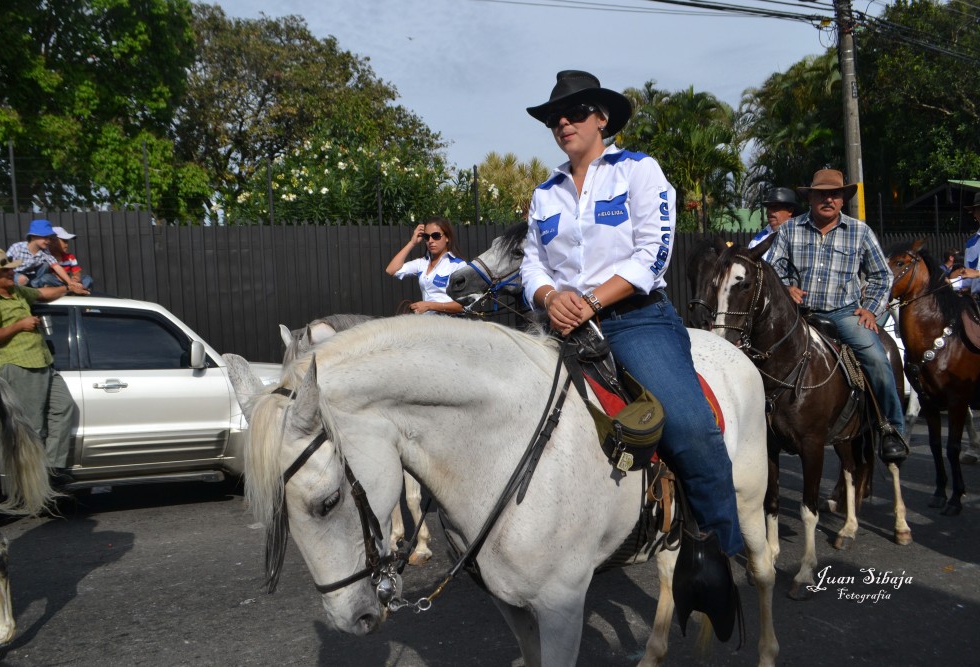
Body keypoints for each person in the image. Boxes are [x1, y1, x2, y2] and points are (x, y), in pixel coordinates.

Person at [519, 69, 743, 557]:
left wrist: (591, 302)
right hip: (558, 322)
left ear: (601, 119)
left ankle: (722, 551)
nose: (563, 123)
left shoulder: (639, 171)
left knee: (689, 426)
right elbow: (532, 264)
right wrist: (550, 298)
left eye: (575, 113)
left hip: (635, 320)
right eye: (554, 117)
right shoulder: (544, 193)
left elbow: (653, 254)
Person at [763, 168, 908, 461]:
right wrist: (786, 286)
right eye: (822, 194)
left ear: (842, 199)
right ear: (811, 198)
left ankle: (891, 428)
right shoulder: (790, 230)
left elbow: (882, 276)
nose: (828, 199)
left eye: (835, 194)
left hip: (844, 313)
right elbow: (771, 268)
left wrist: (871, 309)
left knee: (878, 359)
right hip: (799, 314)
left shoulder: (860, 231)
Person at [0, 248, 90, 475]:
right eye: (5, 271)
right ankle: (32, 477)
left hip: (43, 361)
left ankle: (52, 467)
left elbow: (42, 294)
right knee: (33, 425)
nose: (11, 273)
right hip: (19, 365)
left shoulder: (16, 291)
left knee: (63, 408)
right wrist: (20, 325)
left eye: (11, 269)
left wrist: (67, 288)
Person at [385, 216, 466, 314]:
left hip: (448, 324)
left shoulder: (458, 265)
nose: (430, 241)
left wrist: (429, 305)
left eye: (436, 236)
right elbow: (391, 270)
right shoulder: (422, 263)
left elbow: (463, 306)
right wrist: (412, 243)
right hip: (427, 324)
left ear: (447, 237)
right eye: (426, 237)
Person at [6, 219, 76, 288]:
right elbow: (5, 266)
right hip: (15, 274)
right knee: (23, 279)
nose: (48, 241)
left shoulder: (45, 250)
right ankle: (19, 292)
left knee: (45, 265)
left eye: (49, 238)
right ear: (33, 237)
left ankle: (34, 287)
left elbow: (56, 266)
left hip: (32, 276)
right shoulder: (17, 247)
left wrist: (70, 282)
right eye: (45, 237)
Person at [35, 226, 94, 290]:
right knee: (45, 278)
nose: (67, 245)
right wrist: (64, 279)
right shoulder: (45, 256)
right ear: (52, 241)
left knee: (87, 278)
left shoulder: (70, 257)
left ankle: (71, 289)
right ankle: (73, 289)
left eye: (67, 242)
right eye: (64, 241)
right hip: (56, 281)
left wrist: (77, 277)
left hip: (69, 282)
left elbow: (76, 271)